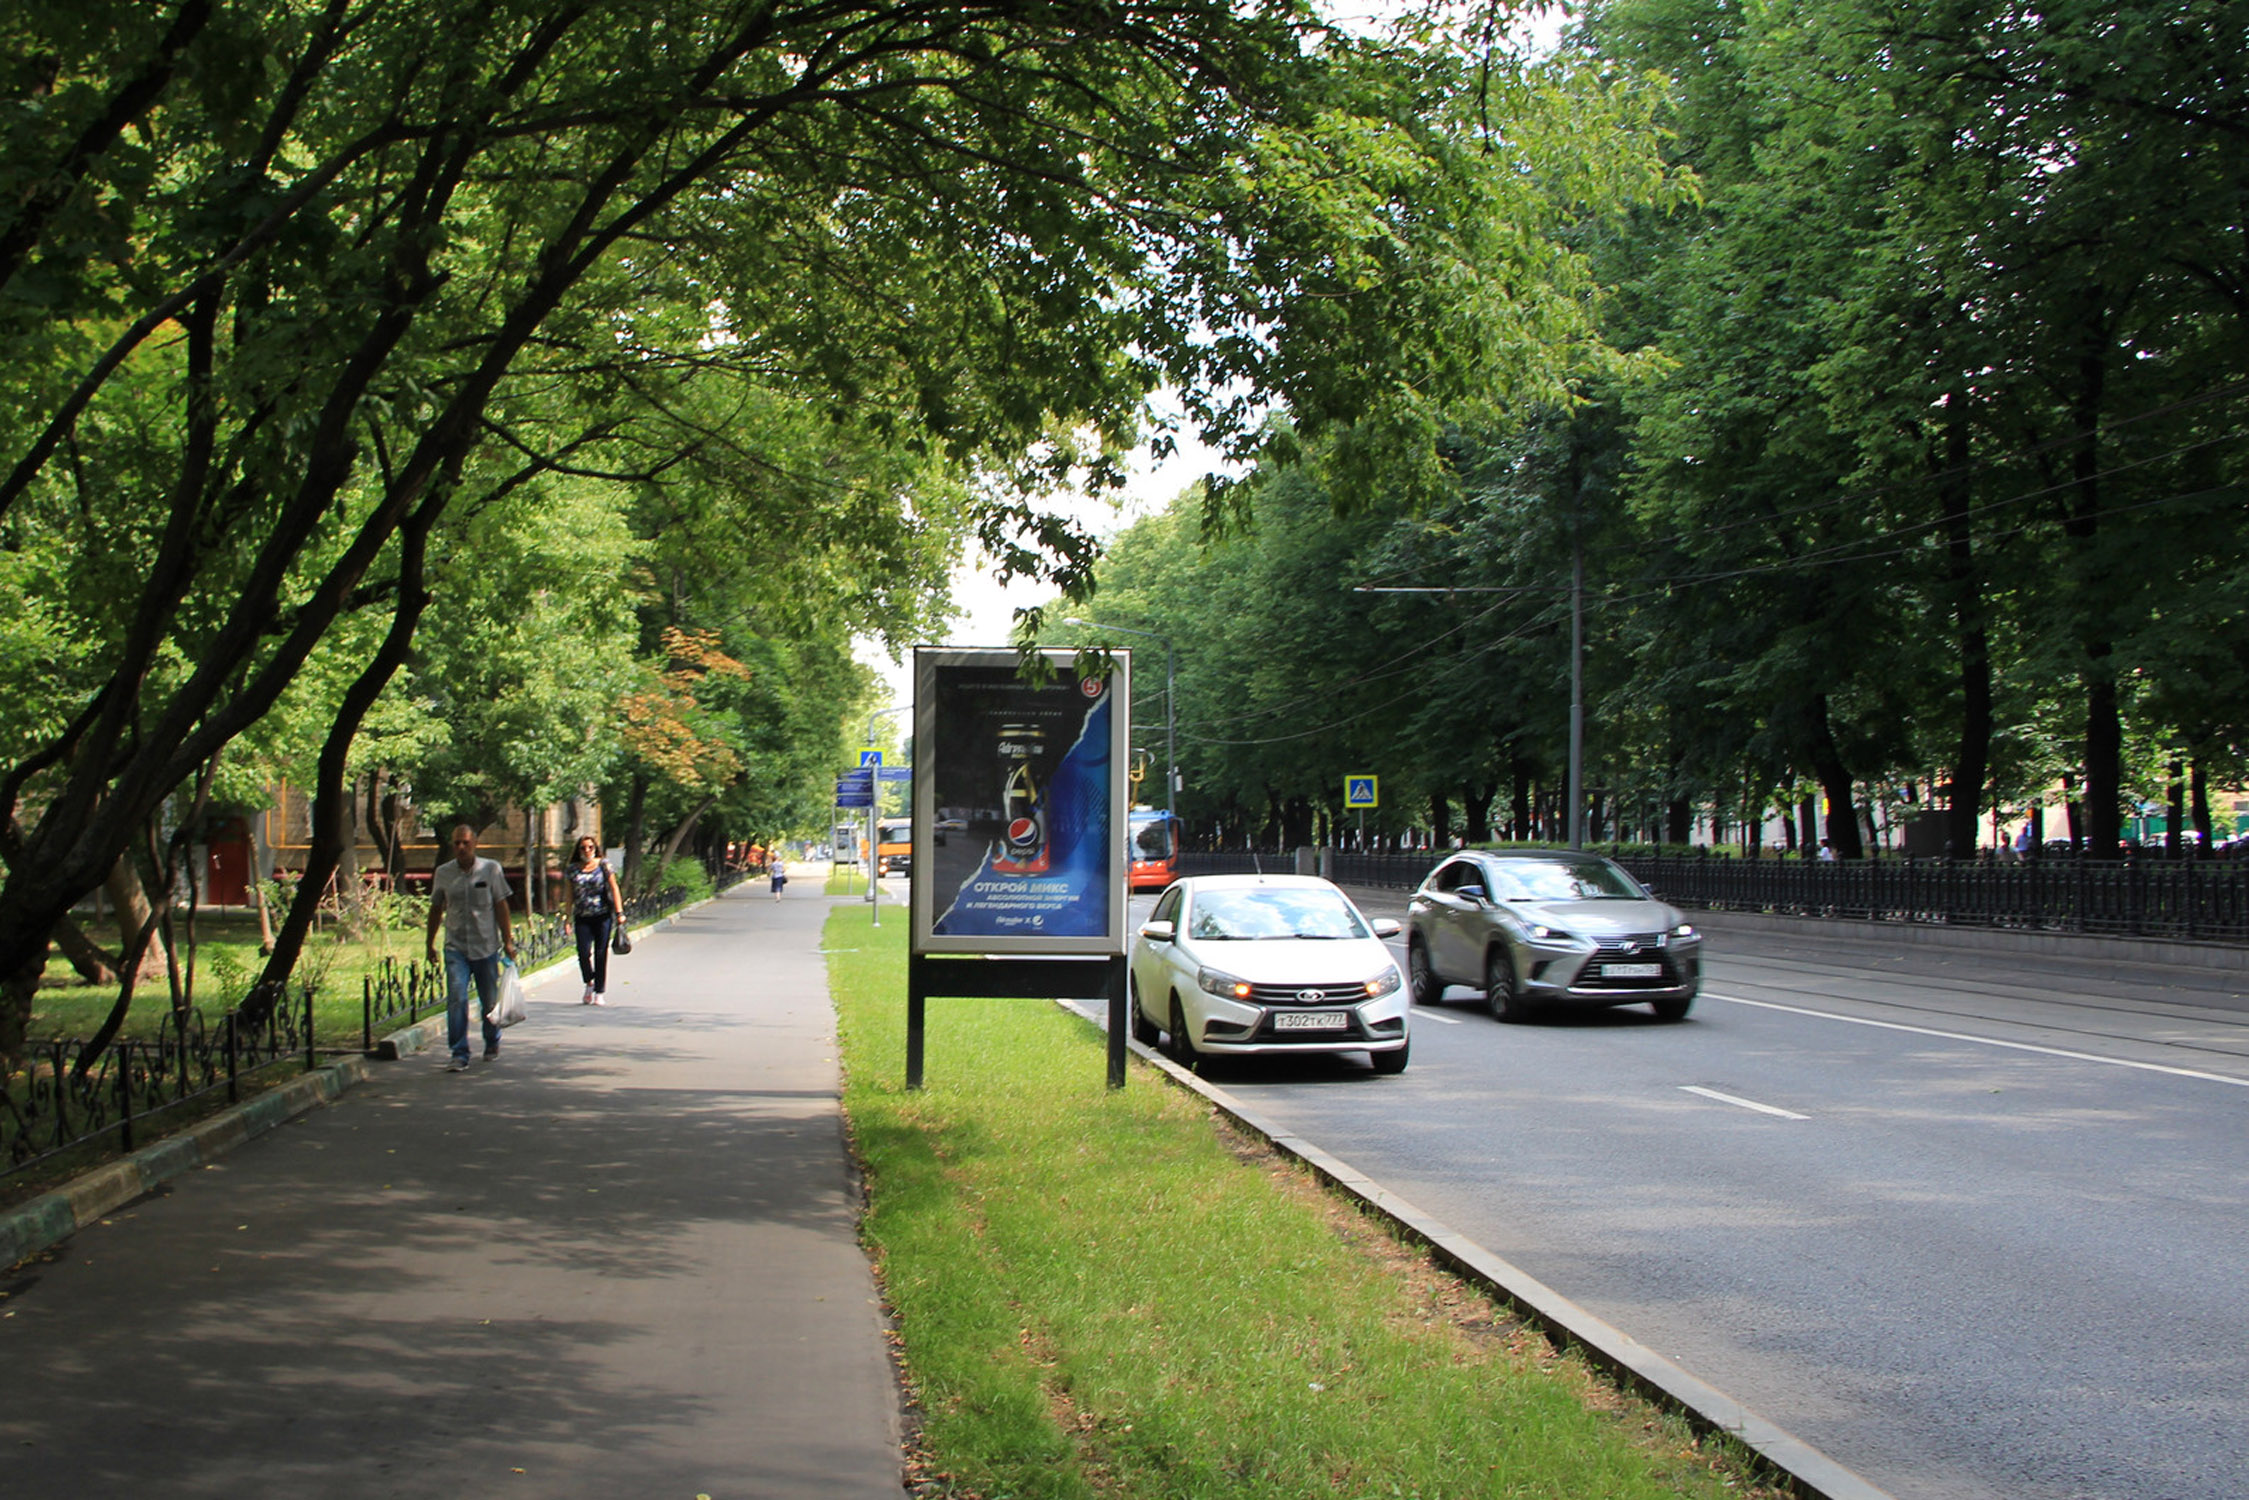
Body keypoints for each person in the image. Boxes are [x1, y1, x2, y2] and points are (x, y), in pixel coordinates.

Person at [426, 824, 516, 1072]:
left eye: (465, 842)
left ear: (475, 843)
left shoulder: (491, 869)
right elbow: (436, 908)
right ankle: (459, 1052)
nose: (461, 847)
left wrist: (508, 940)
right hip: (456, 947)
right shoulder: (443, 873)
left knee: (488, 1000)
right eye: (457, 843)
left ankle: (492, 1040)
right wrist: (429, 944)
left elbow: (501, 905)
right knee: (457, 998)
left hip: (485, 946)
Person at [565, 834, 626, 1005]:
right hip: (582, 917)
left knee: (601, 953)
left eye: (590, 847)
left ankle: (599, 991)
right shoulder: (572, 869)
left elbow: (614, 888)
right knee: (583, 952)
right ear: (578, 850)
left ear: (595, 848)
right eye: (583, 847)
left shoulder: (604, 865)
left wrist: (620, 913)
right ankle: (589, 982)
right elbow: (569, 895)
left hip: (602, 916)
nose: (587, 850)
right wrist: (567, 918)